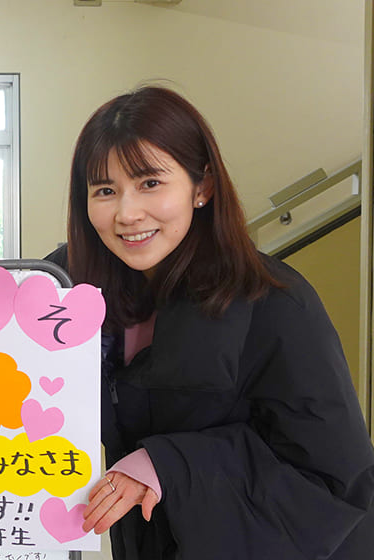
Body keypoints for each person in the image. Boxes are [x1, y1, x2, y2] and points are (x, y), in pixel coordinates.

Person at [45, 86, 374, 559]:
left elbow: (330, 476)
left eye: (150, 183)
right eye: (105, 191)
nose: (127, 213)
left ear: (202, 187)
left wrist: (166, 464)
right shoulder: (73, 293)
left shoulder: (276, 303)